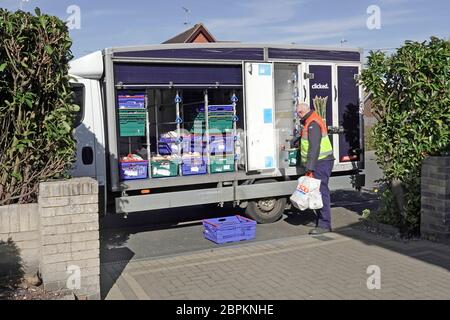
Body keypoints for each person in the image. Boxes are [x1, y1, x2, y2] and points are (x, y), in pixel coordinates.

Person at [293, 102, 335, 235]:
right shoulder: (310, 121)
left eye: (298, 112)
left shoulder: (312, 123)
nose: (297, 115)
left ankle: (324, 224)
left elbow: (315, 147)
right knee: (315, 192)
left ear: (301, 112)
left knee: (321, 192)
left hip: (321, 163)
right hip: (320, 162)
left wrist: (310, 168)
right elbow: (307, 141)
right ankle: (320, 220)